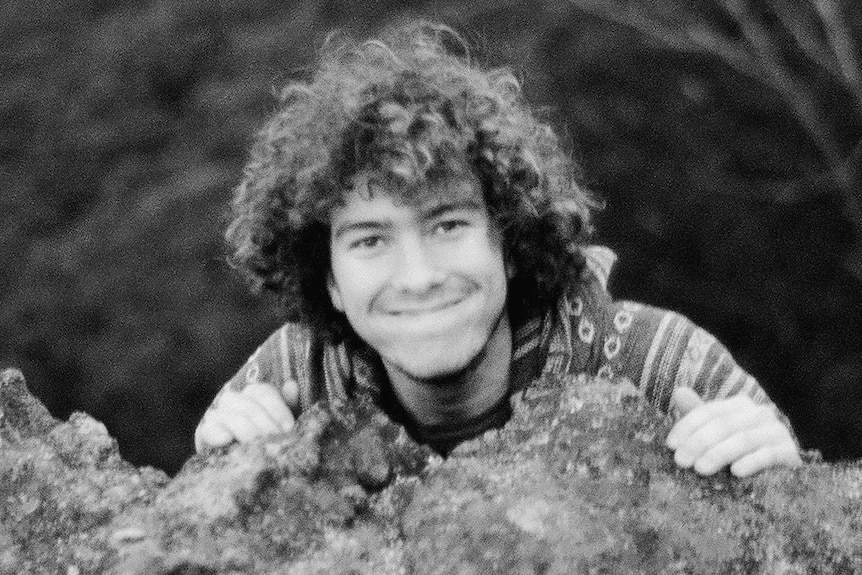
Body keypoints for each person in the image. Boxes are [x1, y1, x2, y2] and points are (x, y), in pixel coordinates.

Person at [194, 22, 801, 477]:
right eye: (371, 240)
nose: (418, 276)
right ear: (327, 277)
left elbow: (809, 506)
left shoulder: (656, 362)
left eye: (448, 225)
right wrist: (219, 469)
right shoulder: (292, 382)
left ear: (510, 240)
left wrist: (774, 461)